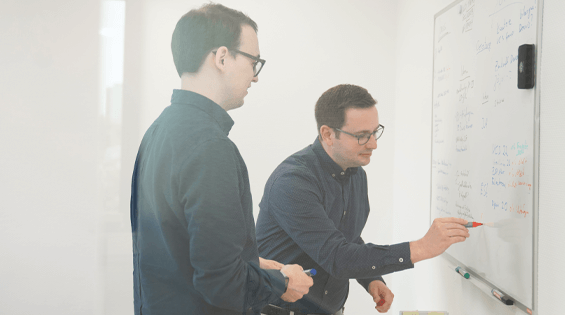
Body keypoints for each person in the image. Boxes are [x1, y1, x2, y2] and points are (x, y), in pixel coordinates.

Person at [130, 4, 313, 315]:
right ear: (222, 57)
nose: (254, 77)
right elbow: (221, 283)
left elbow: (176, 253)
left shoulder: (158, 131)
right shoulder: (210, 147)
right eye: (254, 62)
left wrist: (249, 264)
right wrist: (282, 282)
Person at [256, 84, 470, 315]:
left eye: (375, 132)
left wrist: (370, 278)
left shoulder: (356, 174)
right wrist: (422, 247)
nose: (373, 144)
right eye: (361, 136)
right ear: (328, 134)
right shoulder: (293, 182)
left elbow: (345, 237)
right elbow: (337, 257)